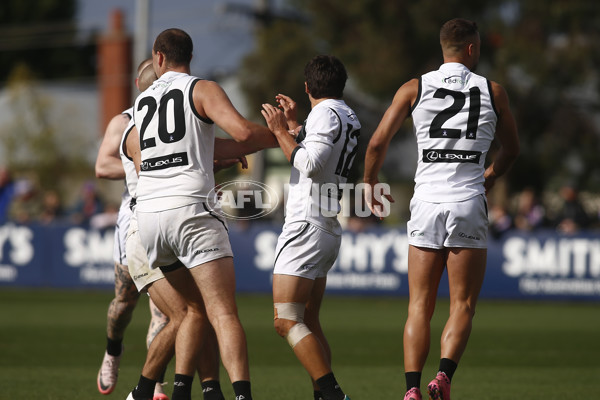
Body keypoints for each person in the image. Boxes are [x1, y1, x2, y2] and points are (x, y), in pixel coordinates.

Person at [363, 18, 519, 400]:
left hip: (426, 203)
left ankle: (412, 390)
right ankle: (443, 378)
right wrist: (492, 176)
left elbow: (377, 143)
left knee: (419, 305)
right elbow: (512, 148)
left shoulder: (414, 87)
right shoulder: (492, 90)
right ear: (470, 49)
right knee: (462, 303)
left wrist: (369, 183)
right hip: (467, 200)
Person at [127, 28, 277, 400]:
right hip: (191, 210)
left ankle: (159, 392)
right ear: (188, 56)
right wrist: (283, 133)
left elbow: (168, 151)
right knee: (222, 311)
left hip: (149, 219)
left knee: (192, 308)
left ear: (158, 58)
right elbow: (242, 131)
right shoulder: (201, 88)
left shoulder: (142, 105)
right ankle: (241, 395)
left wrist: (220, 152)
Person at [124, 64, 237, 400]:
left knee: (197, 310)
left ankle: (206, 390)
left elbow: (186, 156)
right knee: (189, 313)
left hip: (154, 225)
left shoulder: (145, 119)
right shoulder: (136, 124)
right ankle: (145, 391)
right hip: (147, 230)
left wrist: (214, 161)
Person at [260, 55, 358, 400]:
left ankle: (333, 395)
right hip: (325, 225)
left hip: (306, 224)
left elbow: (311, 163)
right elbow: (321, 150)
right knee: (309, 321)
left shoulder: (325, 113)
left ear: (307, 87)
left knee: (285, 319)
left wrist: (277, 131)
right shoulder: (346, 115)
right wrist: (293, 127)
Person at [95, 58, 170, 399]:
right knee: (124, 303)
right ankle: (113, 350)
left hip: (171, 213)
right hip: (134, 214)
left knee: (165, 308)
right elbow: (102, 164)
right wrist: (141, 164)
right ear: (142, 85)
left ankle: (154, 385)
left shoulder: (178, 114)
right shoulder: (126, 120)